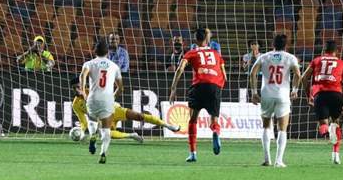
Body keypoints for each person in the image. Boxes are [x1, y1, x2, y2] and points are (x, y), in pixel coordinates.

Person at [70, 76, 180, 153]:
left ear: (83, 85)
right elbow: (83, 122)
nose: (76, 90)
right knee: (106, 133)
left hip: (114, 110)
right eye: (74, 88)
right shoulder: (75, 104)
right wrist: (81, 131)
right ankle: (131, 135)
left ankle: (168, 126)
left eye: (78, 87)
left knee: (139, 116)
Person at [169, 27, 227, 162]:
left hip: (198, 86)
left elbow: (180, 69)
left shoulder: (191, 52)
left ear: (195, 40)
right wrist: (218, 87)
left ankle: (193, 153)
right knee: (214, 120)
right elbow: (225, 75)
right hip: (214, 87)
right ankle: (215, 132)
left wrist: (173, 89)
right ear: (206, 39)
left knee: (193, 120)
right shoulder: (216, 54)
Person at [250, 34, 301, 167]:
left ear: (273, 44)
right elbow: (297, 74)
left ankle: (267, 159)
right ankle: (279, 161)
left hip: (266, 94)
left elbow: (253, 73)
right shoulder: (290, 57)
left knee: (266, 126)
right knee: (282, 128)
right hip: (283, 95)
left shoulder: (264, 56)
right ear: (286, 45)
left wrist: (254, 93)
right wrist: (295, 90)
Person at [300, 40, 343, 164]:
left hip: (320, 94)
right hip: (337, 95)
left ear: (324, 50)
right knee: (336, 123)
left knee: (323, 125)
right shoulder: (342, 63)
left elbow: (303, 78)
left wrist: (308, 95)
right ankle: (336, 155)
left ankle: (328, 131)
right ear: (337, 51)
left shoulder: (316, 60)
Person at [79, 39, 124, 164]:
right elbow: (121, 88)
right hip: (107, 99)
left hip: (92, 98)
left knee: (92, 119)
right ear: (107, 52)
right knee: (106, 129)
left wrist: (83, 91)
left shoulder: (89, 64)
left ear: (94, 51)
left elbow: (82, 75)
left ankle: (92, 134)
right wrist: (113, 97)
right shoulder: (114, 66)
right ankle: (103, 153)